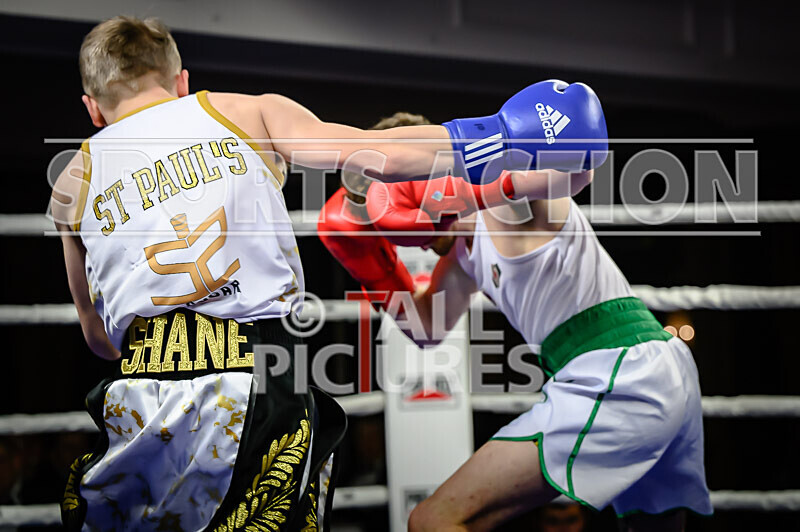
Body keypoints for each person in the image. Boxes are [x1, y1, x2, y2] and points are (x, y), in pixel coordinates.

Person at [49, 14, 606, 531]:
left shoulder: (70, 183)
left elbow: (98, 338)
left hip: (137, 397)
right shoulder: (239, 111)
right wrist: (498, 135)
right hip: (249, 380)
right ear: (181, 81)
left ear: (92, 109)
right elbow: (370, 153)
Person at [318, 131, 712, 530]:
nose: (395, 226)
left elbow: (576, 162)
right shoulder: (461, 255)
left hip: (618, 374)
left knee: (432, 520)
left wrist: (462, 154)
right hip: (654, 367)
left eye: (392, 202)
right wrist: (370, 264)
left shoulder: (511, 196)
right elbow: (426, 326)